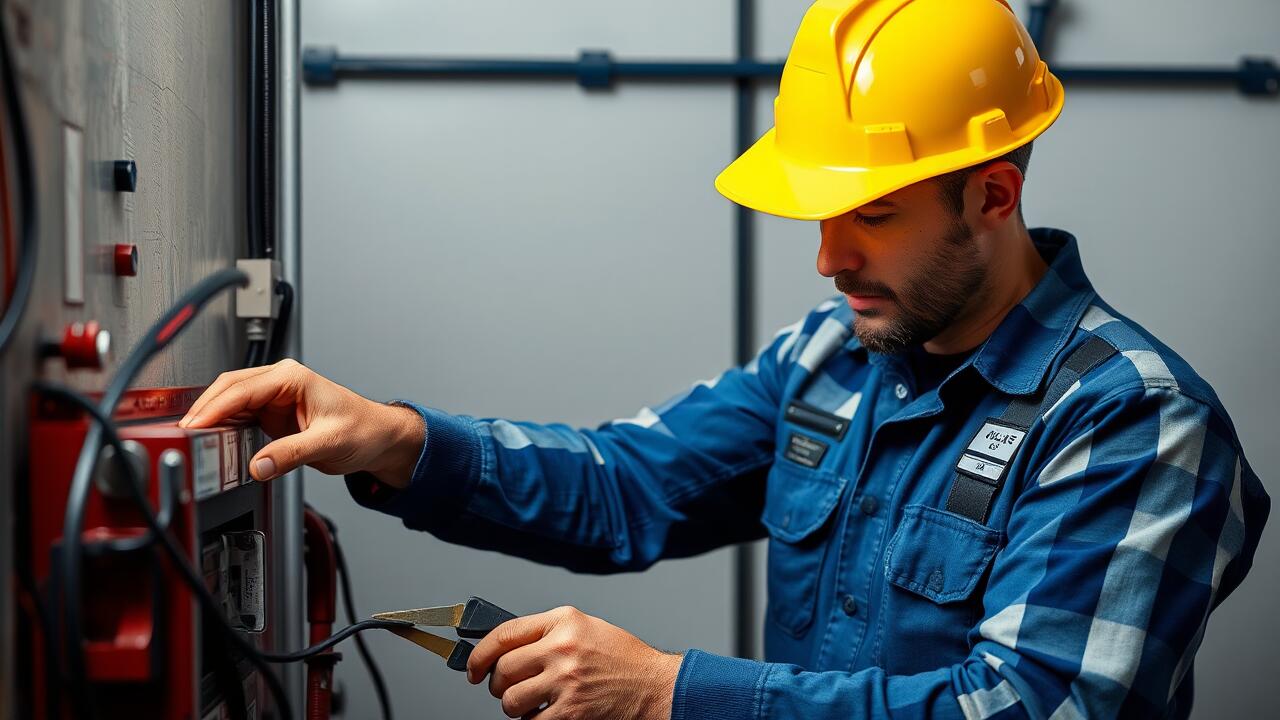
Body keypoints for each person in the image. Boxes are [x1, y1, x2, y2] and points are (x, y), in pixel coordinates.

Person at [182, 0, 1269, 717]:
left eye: (871, 217)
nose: (826, 259)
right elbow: (629, 485)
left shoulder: (1133, 421)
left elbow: (1028, 710)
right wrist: (402, 442)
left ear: (993, 194)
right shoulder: (832, 358)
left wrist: (667, 693)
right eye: (820, 218)